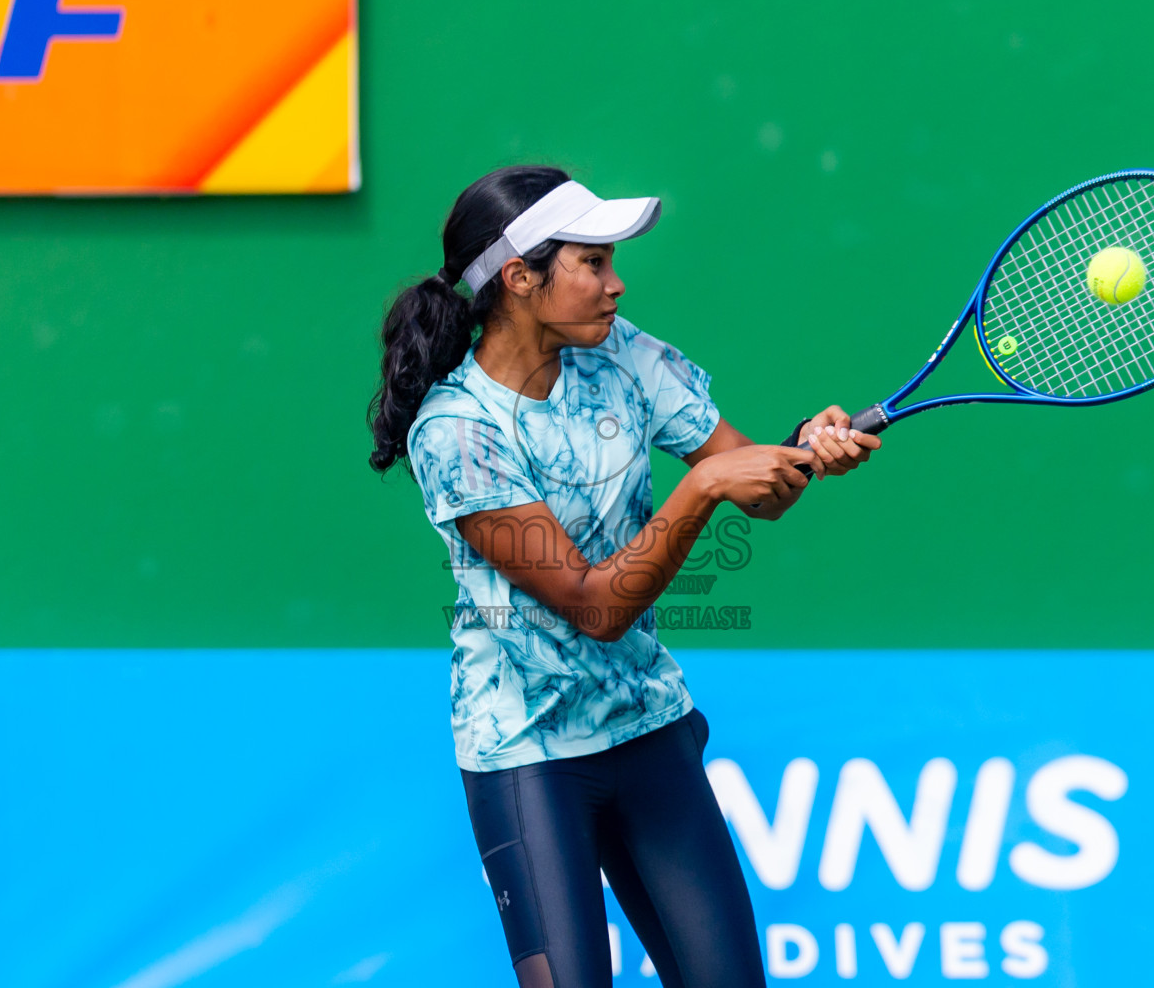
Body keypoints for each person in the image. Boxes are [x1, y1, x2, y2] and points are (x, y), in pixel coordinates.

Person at [367, 165, 881, 987]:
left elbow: (755, 485)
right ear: (520, 278)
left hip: (647, 728)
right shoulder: (457, 433)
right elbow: (594, 608)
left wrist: (803, 452)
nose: (617, 283)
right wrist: (709, 485)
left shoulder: (624, 353)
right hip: (526, 754)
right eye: (594, 263)